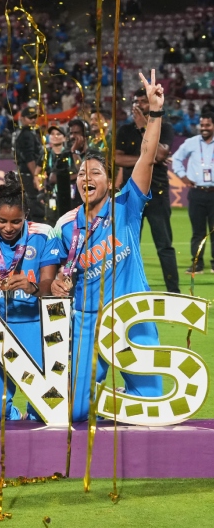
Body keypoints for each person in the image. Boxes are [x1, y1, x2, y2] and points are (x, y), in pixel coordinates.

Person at [54, 71, 167, 422]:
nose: (86, 178)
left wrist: (155, 113)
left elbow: (146, 156)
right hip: (88, 320)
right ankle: (93, 395)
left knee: (151, 405)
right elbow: (56, 276)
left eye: (95, 173)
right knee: (75, 410)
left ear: (111, 179)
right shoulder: (65, 226)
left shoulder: (126, 207)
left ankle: (119, 401)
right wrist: (56, 283)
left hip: (132, 314)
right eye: (81, 174)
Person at [0, 172, 64, 421]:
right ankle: (16, 416)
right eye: (1, 221)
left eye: (16, 222)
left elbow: (48, 285)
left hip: (35, 324)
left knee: (44, 406)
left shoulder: (45, 234)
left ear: (26, 215)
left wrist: (32, 287)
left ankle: (33, 421)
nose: (8, 228)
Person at [115, 87, 179, 292]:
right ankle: (128, 291)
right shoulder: (124, 130)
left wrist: (145, 126)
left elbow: (160, 155)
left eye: (143, 101)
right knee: (127, 246)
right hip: (131, 196)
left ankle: (174, 292)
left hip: (157, 195)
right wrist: (146, 160)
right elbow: (117, 159)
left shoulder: (165, 128)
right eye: (137, 101)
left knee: (164, 245)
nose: (139, 105)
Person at [173, 112, 214, 274]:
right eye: (202, 125)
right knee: (198, 232)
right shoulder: (191, 142)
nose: (204, 128)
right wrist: (183, 176)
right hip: (197, 192)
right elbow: (176, 159)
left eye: (207, 125)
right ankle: (197, 264)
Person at [14, 102, 46, 223]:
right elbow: (29, 158)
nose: (33, 120)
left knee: (29, 206)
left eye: (34, 117)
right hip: (29, 176)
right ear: (22, 119)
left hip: (25, 175)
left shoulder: (26, 133)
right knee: (35, 207)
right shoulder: (27, 134)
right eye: (30, 117)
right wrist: (35, 176)